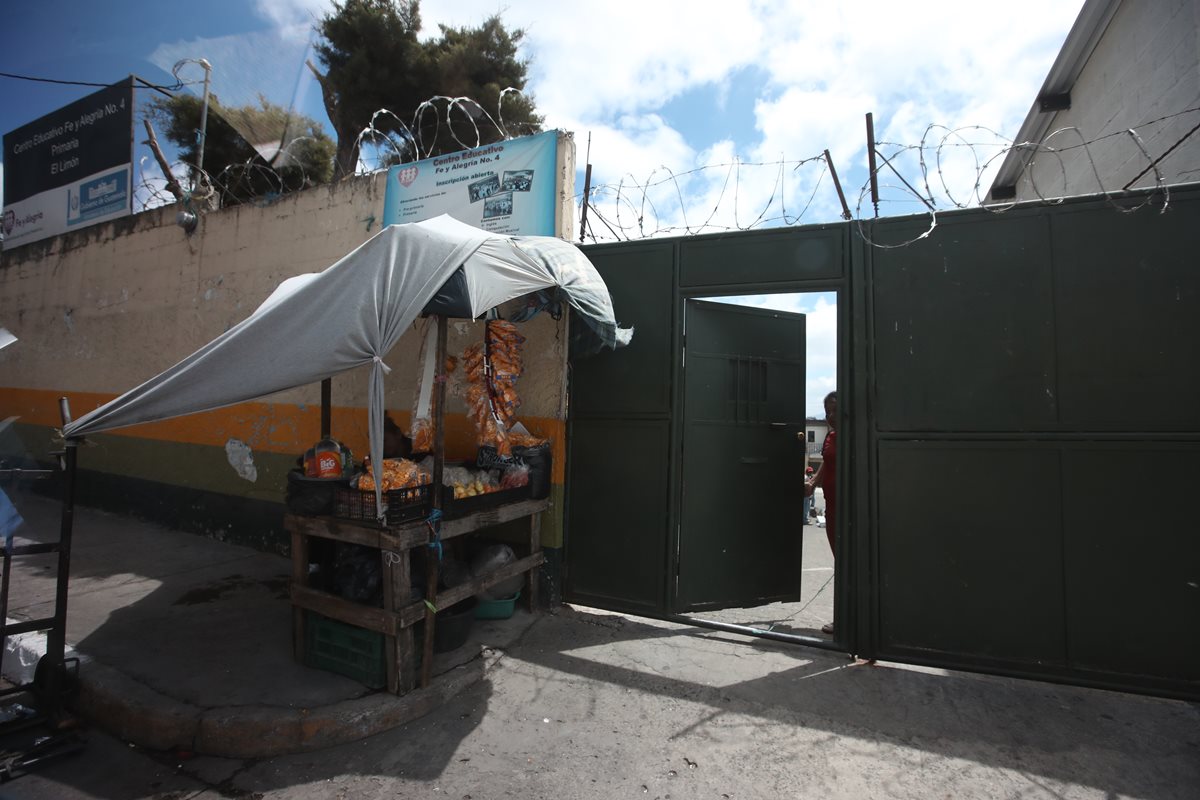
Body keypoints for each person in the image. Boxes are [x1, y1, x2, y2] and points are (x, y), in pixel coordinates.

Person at [805, 390, 838, 634]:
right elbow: (827, 462)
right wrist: (813, 483)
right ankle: (845, 616)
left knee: (849, 563)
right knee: (841, 560)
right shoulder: (830, 437)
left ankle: (848, 618)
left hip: (850, 510)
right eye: (827, 411)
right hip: (832, 506)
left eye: (836, 410)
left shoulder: (855, 435)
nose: (831, 416)